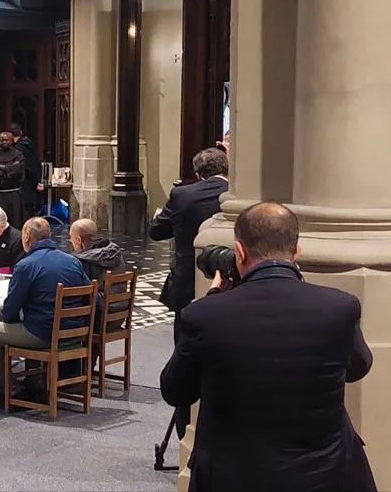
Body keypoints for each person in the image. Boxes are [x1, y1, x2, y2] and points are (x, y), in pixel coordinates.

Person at [160, 203, 376, 492]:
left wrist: (213, 298)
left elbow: (175, 390)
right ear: (296, 251)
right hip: (326, 475)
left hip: (232, 478)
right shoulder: (339, 308)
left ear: (239, 252)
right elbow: (358, 367)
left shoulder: (204, 316)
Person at [0, 218, 93, 391]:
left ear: (27, 236)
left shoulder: (26, 265)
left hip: (42, 333)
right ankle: (33, 380)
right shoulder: (72, 261)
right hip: (74, 331)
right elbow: (90, 293)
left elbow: (11, 309)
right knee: (30, 320)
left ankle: (9, 388)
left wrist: (13, 321)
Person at [149, 147, 228, 312]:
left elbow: (156, 232)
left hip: (188, 277)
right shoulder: (235, 195)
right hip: (229, 276)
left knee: (185, 330)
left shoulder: (182, 194)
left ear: (198, 174)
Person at [0, 131, 26, 226]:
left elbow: (18, 170)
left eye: (6, 140)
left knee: (15, 221)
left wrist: (4, 168)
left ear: (12, 141)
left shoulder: (18, 155)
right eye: (1, 140)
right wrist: (8, 170)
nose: (4, 142)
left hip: (14, 193)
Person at [8, 123, 42, 224]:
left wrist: (34, 183)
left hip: (25, 185)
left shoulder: (19, 149)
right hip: (31, 183)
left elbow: (27, 167)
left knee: (25, 215)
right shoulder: (28, 144)